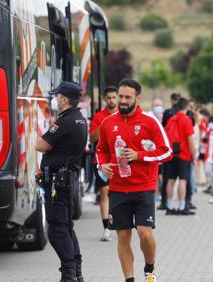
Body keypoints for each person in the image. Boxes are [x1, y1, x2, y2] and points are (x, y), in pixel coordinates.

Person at [96, 79, 172, 282]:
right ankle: (129, 279)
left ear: (138, 98)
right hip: (118, 188)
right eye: (120, 96)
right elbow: (100, 150)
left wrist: (139, 156)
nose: (122, 100)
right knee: (122, 235)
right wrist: (101, 165)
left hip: (144, 187)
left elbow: (167, 152)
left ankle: (149, 268)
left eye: (127, 97)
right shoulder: (108, 122)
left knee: (144, 232)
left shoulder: (150, 122)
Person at [35, 81, 87, 282]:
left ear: (64, 99)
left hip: (59, 182)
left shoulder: (65, 122)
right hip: (66, 180)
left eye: (57, 96)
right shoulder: (79, 119)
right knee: (66, 226)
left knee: (57, 229)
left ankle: (68, 274)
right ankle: (77, 272)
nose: (55, 99)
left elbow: (40, 144)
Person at [89, 86, 118, 241]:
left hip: (120, 161)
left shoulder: (124, 115)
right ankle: (106, 227)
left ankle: (122, 224)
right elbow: (92, 137)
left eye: (114, 97)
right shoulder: (99, 116)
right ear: (104, 99)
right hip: (102, 161)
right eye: (109, 98)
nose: (112, 100)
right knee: (105, 192)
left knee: (121, 192)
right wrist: (105, 123)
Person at [165, 98, 197, 215]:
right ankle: (181, 206)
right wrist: (194, 153)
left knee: (171, 180)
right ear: (187, 107)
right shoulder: (187, 120)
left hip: (172, 154)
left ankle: (168, 206)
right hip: (184, 154)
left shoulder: (171, 119)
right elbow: (190, 139)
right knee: (182, 181)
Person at [158, 92, 181, 210]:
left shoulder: (167, 112)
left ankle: (164, 201)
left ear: (172, 100)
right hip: (182, 149)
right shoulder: (184, 113)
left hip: (169, 148)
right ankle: (185, 202)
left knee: (167, 176)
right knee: (184, 178)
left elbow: (163, 129)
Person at [204, 116, 213, 195]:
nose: (212, 124)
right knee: (208, 171)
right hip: (208, 156)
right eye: (211, 122)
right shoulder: (208, 131)